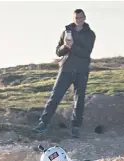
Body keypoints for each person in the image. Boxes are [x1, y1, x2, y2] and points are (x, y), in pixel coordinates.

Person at [34, 9, 96, 138]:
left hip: (81, 70)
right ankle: (43, 123)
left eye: (80, 17)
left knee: (79, 100)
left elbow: (86, 53)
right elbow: (58, 52)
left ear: (84, 18)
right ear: (73, 18)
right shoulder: (66, 32)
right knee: (55, 97)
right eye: (76, 18)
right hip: (66, 69)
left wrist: (72, 46)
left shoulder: (90, 34)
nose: (78, 20)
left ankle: (76, 128)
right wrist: (65, 47)